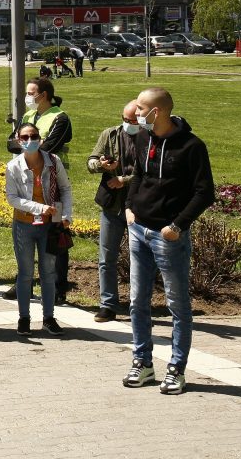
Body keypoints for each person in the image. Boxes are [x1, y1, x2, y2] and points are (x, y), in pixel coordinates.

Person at [123, 87, 215, 395]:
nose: (135, 115)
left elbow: (205, 192)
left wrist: (178, 225)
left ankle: (176, 368)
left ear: (157, 112)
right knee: (138, 301)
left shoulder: (191, 146)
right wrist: (129, 207)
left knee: (177, 305)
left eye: (140, 110)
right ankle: (142, 363)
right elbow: (138, 174)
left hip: (169, 236)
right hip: (138, 229)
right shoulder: (142, 138)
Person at [5, 123, 72, 337]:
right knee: (25, 273)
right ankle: (24, 318)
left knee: (48, 272)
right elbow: (12, 198)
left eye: (34, 136)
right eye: (25, 137)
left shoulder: (53, 161)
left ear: (40, 138)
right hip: (24, 225)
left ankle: (48, 317)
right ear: (18, 140)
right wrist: (40, 207)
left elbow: (65, 188)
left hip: (49, 226)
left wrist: (66, 214)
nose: (29, 140)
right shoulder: (13, 166)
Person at [17, 77, 73, 304]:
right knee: (26, 234)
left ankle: (58, 287)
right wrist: (32, 144)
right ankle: (25, 283)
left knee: (56, 234)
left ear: (44, 95)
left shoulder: (60, 117)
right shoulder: (28, 116)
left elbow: (51, 146)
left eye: (32, 93)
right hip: (28, 183)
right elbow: (11, 142)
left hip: (53, 184)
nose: (28, 97)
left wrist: (29, 145)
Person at [88, 100, 140, 323]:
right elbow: (90, 162)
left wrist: (124, 180)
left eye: (133, 121)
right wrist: (101, 165)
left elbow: (153, 173)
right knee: (106, 257)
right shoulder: (109, 135)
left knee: (141, 259)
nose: (128, 124)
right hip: (112, 205)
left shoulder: (150, 138)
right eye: (125, 120)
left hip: (139, 206)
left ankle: (138, 305)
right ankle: (108, 305)